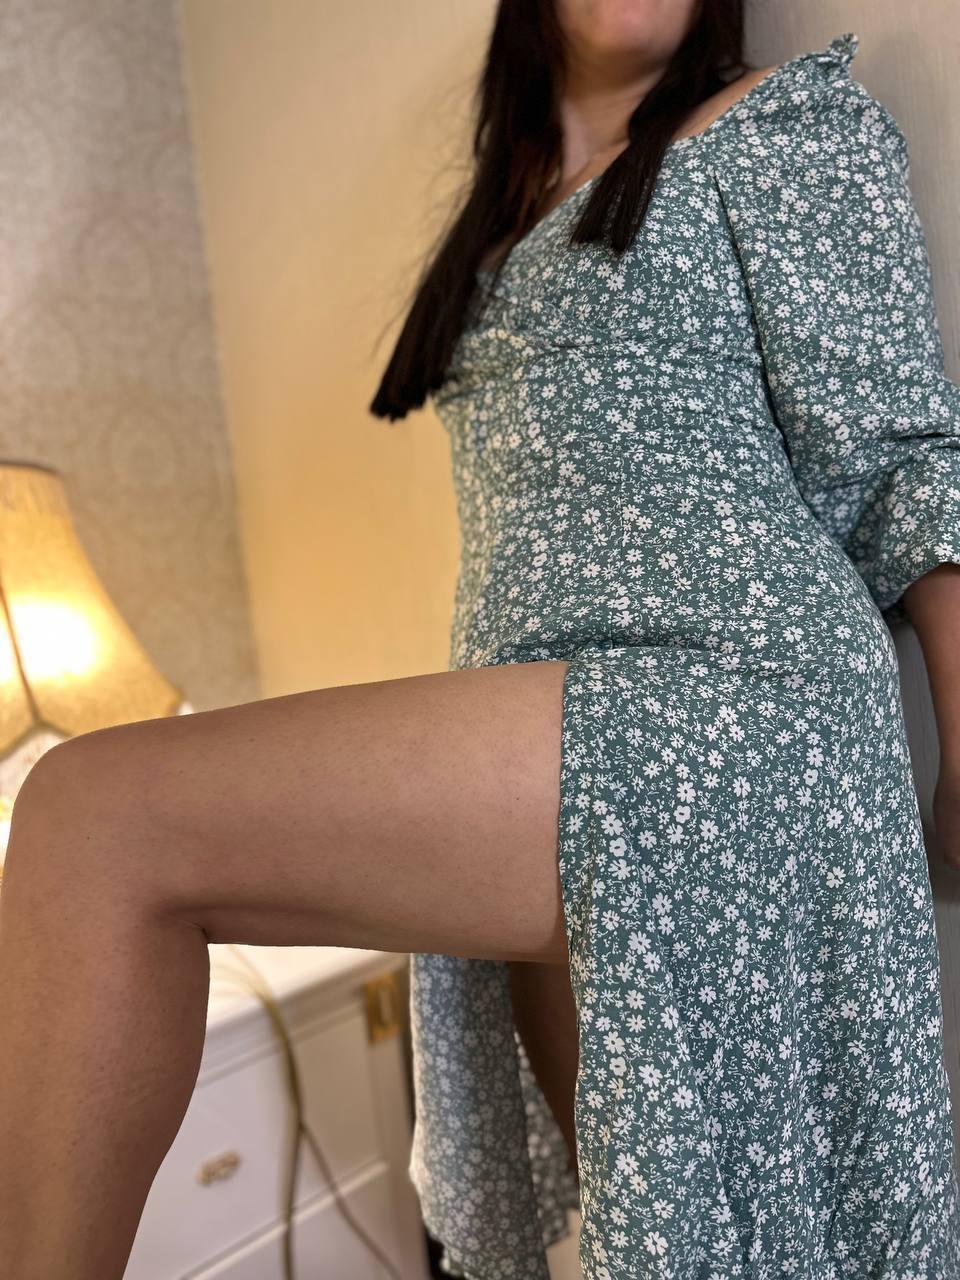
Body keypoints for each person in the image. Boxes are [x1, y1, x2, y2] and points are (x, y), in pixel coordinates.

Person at [1, 4, 959, 1280]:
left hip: (729, 704)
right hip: (560, 718)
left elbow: (906, 459)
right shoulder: (506, 210)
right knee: (655, 1238)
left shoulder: (779, 125)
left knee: (90, 813)